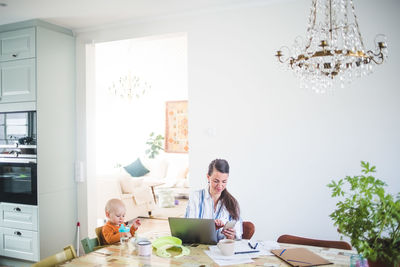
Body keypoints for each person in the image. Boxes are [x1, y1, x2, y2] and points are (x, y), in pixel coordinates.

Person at [185, 159, 242, 240]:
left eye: (224, 181)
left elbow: (238, 235)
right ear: (208, 177)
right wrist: (210, 229)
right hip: (199, 248)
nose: (220, 186)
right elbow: (187, 230)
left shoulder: (232, 203)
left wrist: (232, 236)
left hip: (222, 250)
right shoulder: (195, 198)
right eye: (216, 181)